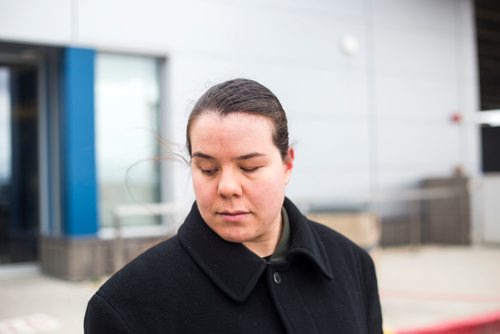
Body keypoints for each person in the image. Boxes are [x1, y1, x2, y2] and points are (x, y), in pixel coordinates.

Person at [84, 78, 383, 333]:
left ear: (288, 163)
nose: (227, 187)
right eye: (208, 169)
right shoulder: (125, 306)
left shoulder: (353, 265)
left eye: (249, 167)